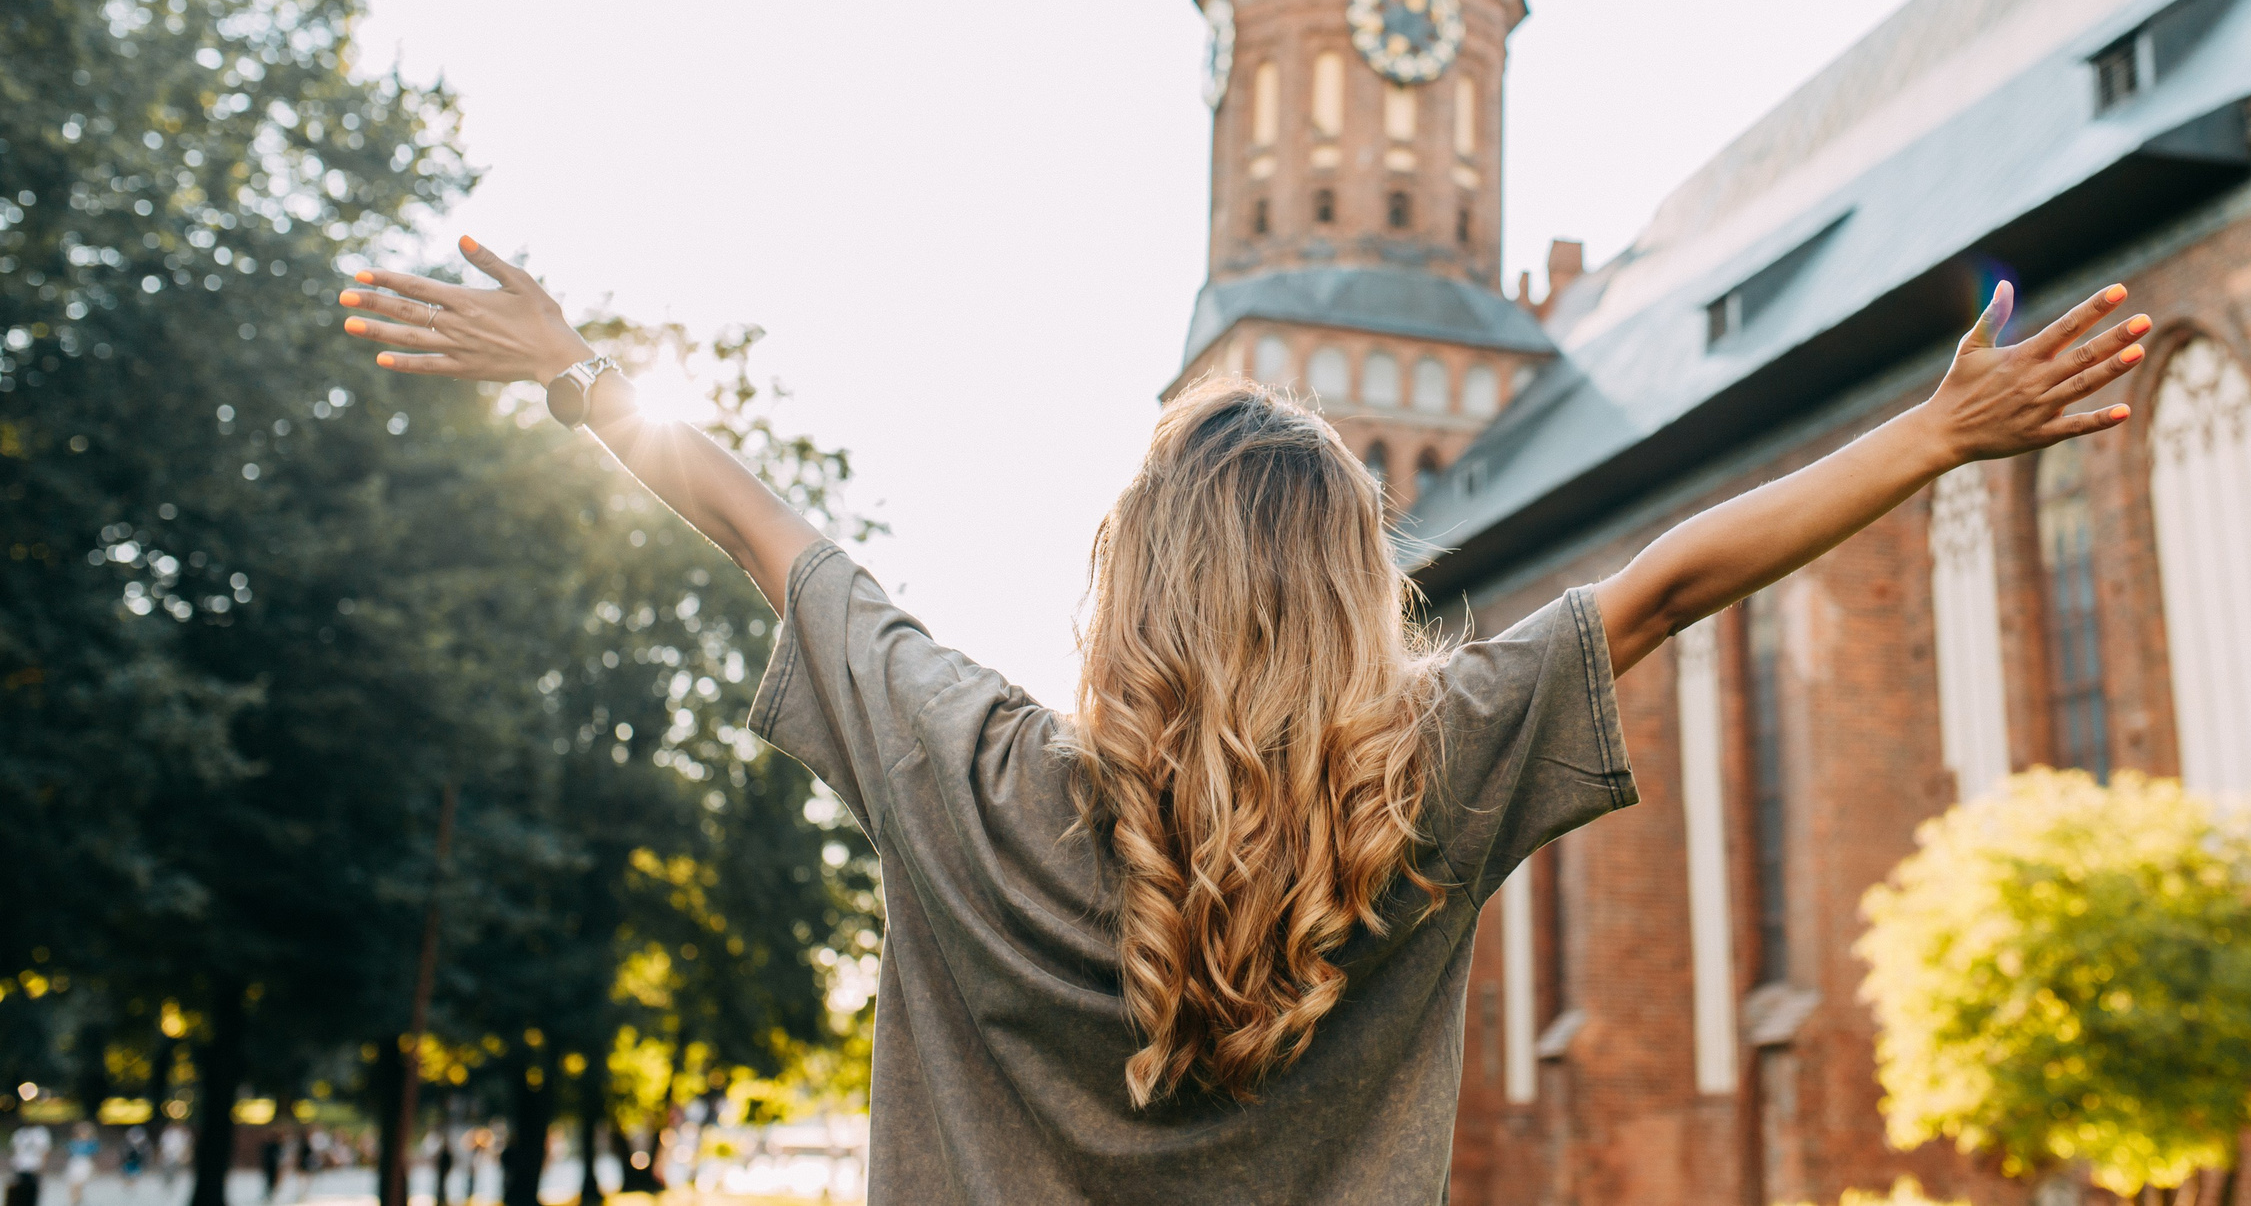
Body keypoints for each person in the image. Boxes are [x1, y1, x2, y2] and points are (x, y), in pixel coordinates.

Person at [340, 239, 2149, 1205]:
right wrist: (1936, 433)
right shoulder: (1428, 777)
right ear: (1361, 589)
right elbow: (1668, 582)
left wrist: (579, 378)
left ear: (1126, 576)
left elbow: (778, 541)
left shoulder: (964, 768)